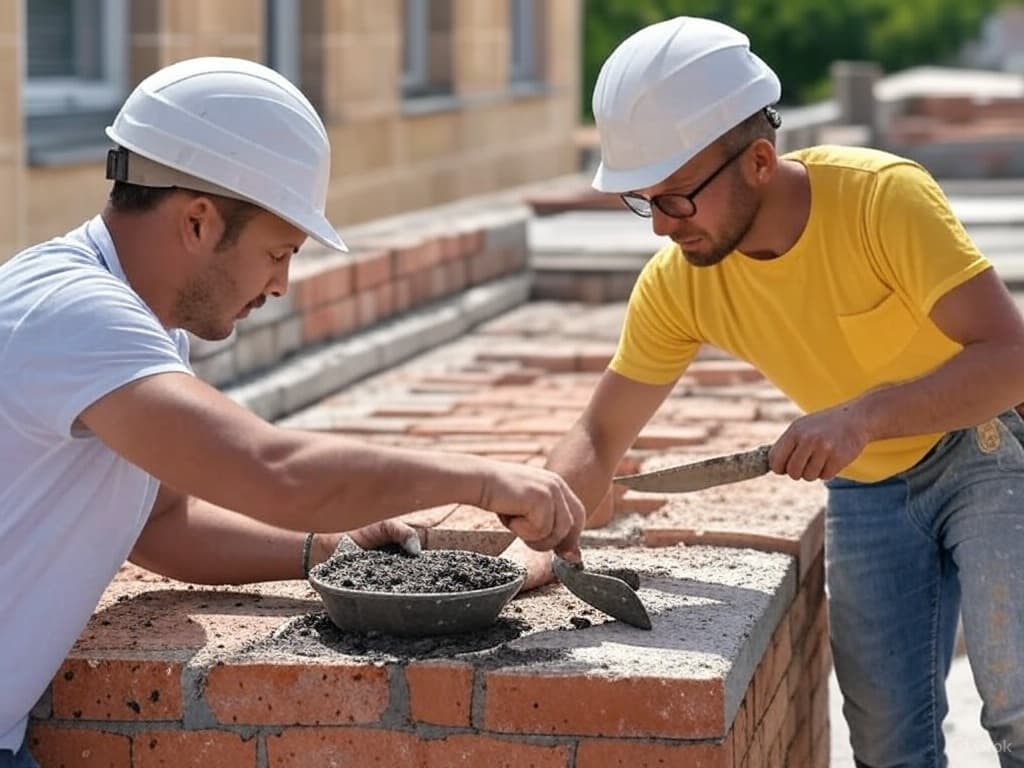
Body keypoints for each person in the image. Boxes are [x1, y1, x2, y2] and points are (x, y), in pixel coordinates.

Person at [0, 57, 584, 768]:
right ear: (196, 220)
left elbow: (163, 525)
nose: (280, 283)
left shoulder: (139, 325)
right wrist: (485, 481)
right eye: (278, 252)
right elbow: (270, 469)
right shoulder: (75, 313)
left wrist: (330, 552)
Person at [544, 16, 1024, 768]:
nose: (662, 228)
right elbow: (601, 435)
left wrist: (864, 415)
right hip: (869, 491)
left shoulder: (880, 202)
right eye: (645, 201)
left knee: (1020, 710)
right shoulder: (682, 283)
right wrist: (546, 514)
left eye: (676, 198)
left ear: (760, 160)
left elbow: (1010, 356)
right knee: (890, 748)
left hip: (986, 448)